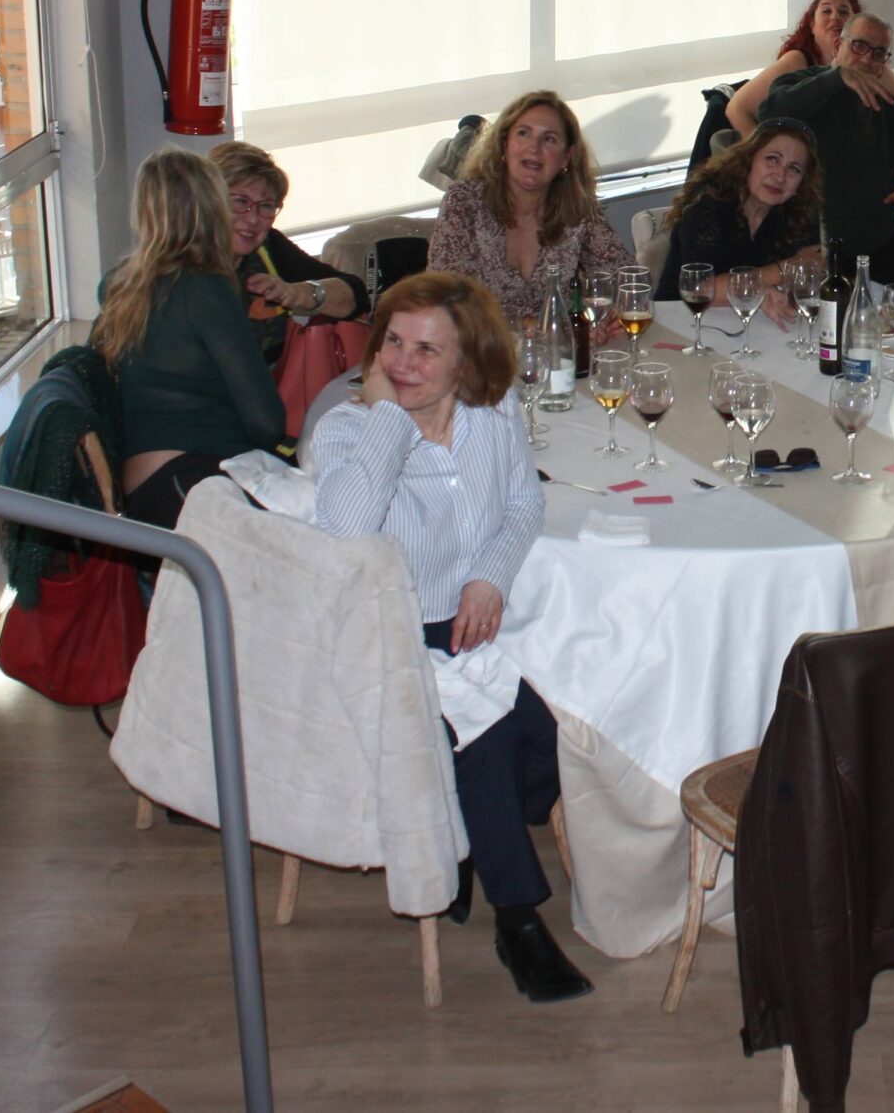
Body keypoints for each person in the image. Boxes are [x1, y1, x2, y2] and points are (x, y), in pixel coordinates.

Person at [305, 272, 590, 1002]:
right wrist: (389, 417)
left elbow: (524, 503)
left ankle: (460, 838)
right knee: (483, 738)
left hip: (476, 625)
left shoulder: (492, 413)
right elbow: (345, 528)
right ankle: (518, 922)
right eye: (394, 343)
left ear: (467, 362)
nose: (404, 362)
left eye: (427, 350)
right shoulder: (347, 432)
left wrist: (490, 577)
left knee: (570, 732)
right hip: (388, 637)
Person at [95, 147, 287, 528]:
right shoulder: (205, 289)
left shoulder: (120, 285)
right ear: (211, 208)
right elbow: (267, 423)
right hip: (195, 484)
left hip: (149, 488)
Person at [763, 11, 894, 282]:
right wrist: (837, 78)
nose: (867, 59)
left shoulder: (886, 106)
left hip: (878, 246)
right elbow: (769, 114)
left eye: (879, 53)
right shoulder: (803, 85)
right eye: (859, 46)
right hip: (812, 252)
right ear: (838, 46)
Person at [427, 91, 633, 327]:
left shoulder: (578, 208)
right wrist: (537, 326)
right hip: (481, 346)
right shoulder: (464, 201)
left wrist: (605, 317)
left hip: (560, 348)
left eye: (549, 139)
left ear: (566, 157)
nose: (534, 148)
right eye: (524, 133)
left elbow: (628, 280)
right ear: (504, 145)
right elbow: (446, 299)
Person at [208, 140, 369, 370]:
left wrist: (298, 293)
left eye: (266, 205)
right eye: (241, 201)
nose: (253, 218)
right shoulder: (178, 261)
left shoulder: (267, 246)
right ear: (209, 200)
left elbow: (355, 295)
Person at [654, 117, 826, 306]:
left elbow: (810, 274)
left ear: (802, 182)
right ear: (749, 160)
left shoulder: (799, 211)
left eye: (793, 169)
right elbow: (701, 291)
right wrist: (785, 269)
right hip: (679, 316)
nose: (780, 176)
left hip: (749, 319)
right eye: (772, 159)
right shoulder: (709, 200)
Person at [722, 0, 861, 136]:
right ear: (812, 26)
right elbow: (736, 109)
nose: (835, 17)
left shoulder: (861, 66)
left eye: (843, 12)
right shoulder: (797, 61)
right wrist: (761, 148)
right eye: (826, 11)